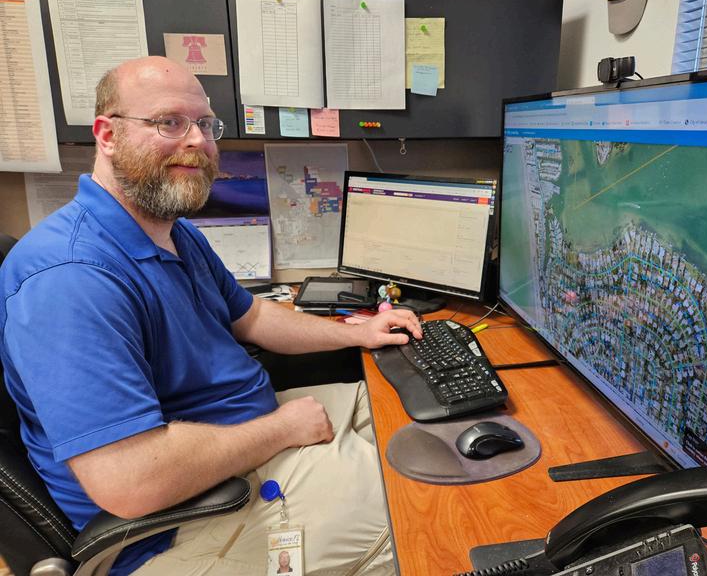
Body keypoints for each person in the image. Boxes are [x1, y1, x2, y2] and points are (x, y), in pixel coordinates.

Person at [0, 56, 422, 575]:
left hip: (242, 440)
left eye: (205, 123)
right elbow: (130, 480)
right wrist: (282, 429)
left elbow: (253, 317)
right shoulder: (69, 278)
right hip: (182, 523)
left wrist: (357, 334)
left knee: (417, 417)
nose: (198, 140)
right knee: (425, 508)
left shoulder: (174, 232)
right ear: (107, 135)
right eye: (169, 122)